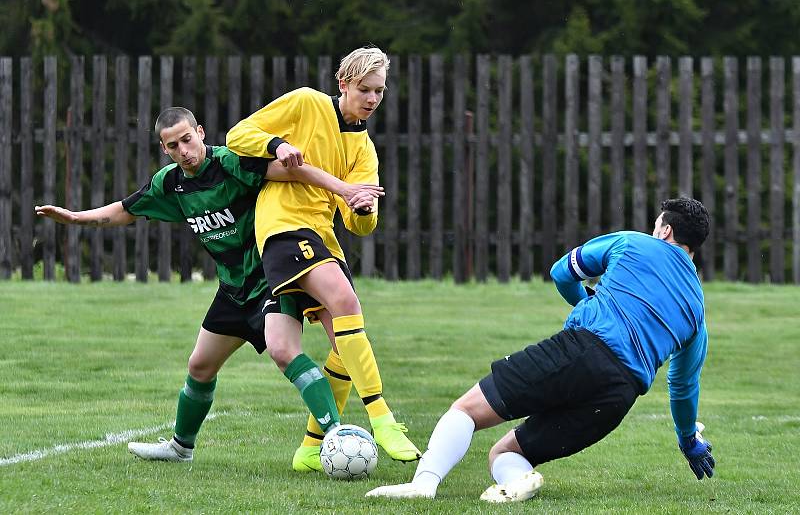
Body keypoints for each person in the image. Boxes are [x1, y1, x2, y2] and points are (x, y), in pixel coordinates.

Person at [35, 107, 382, 462]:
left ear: (200, 132)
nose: (183, 150)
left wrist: (346, 190)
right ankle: (181, 447)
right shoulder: (171, 182)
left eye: (187, 139)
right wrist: (75, 217)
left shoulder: (231, 163)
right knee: (199, 365)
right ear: (164, 148)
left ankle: (334, 434)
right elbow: (126, 209)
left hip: (269, 281)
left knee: (285, 352)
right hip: (232, 289)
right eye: (173, 145)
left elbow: (292, 173)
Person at [365, 197, 715, 502]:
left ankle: (423, 484)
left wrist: (585, 306)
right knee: (506, 452)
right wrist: (688, 441)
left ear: (666, 231)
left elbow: (562, 273)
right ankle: (518, 481)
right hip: (617, 398)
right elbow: (682, 387)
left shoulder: (633, 243)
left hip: (581, 351)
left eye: (657, 226)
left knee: (467, 410)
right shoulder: (697, 311)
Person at [226, 45, 421, 471]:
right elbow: (237, 135)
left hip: (322, 237)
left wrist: (363, 210)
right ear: (343, 84)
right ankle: (382, 419)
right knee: (347, 304)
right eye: (365, 90)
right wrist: (276, 146)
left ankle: (311, 448)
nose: (372, 100)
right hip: (283, 226)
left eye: (380, 92)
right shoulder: (306, 102)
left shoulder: (365, 149)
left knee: (343, 347)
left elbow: (360, 225)